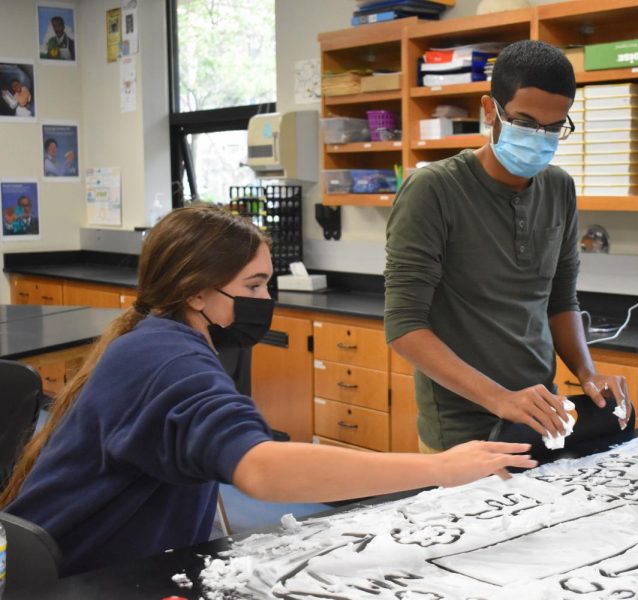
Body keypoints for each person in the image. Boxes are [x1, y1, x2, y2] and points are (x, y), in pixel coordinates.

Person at [0, 205, 536, 576]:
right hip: (69, 578)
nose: (266, 298)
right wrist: (439, 469)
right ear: (197, 293)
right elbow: (258, 468)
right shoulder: (168, 359)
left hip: (69, 557)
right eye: (254, 287)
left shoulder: (154, 335)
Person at [384, 40, 631, 453]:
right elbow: (404, 328)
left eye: (554, 128)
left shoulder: (559, 188)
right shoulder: (434, 190)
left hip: (541, 417)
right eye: (525, 122)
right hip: (461, 432)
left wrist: (588, 374)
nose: (540, 137)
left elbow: (560, 299)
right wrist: (501, 399)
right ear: (489, 110)